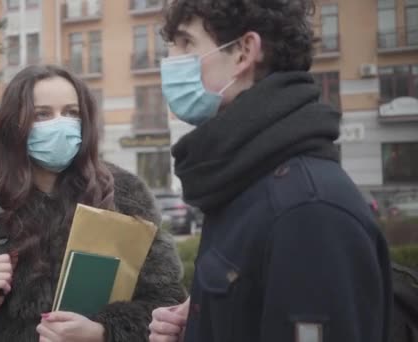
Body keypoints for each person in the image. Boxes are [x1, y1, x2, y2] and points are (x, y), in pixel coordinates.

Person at [149, 0, 392, 341]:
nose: (170, 62)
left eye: (187, 43)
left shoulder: (308, 212)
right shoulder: (241, 180)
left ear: (244, 52)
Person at [0, 65, 186, 342]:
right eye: (42, 114)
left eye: (71, 113)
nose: (59, 124)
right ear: (15, 123)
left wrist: (102, 332)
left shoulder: (125, 194)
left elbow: (168, 302)